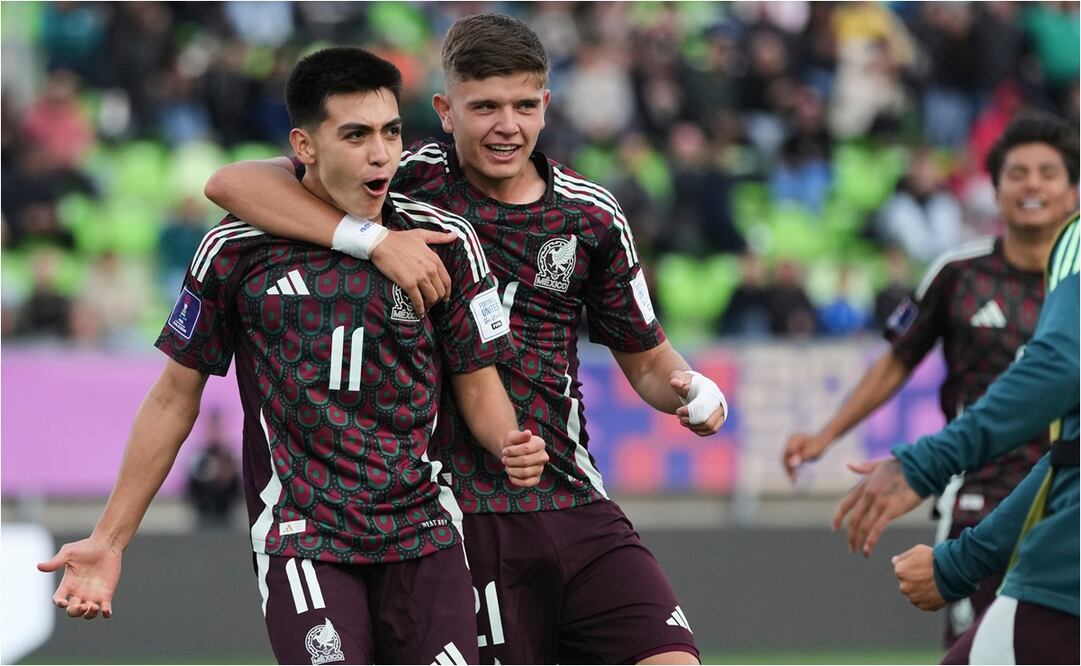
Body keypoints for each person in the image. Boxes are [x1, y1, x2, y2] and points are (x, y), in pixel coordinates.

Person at [204, 14, 728, 665]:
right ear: (445, 111)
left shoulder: (590, 215)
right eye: (484, 107)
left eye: (522, 105)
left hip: (572, 494)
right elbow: (234, 185)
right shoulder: (401, 182)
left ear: (545, 106)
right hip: (464, 513)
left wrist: (688, 390)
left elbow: (649, 361)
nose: (505, 125)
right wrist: (373, 240)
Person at [37, 47, 550, 665]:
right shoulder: (235, 251)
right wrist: (109, 539)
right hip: (305, 537)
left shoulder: (442, 242)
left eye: (390, 132)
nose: (381, 153)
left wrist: (507, 442)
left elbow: (477, 383)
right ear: (304, 147)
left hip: (426, 532)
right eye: (354, 135)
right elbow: (175, 396)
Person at [784, 112, 1079, 644]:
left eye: (1047, 172)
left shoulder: (1073, 285)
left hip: (1062, 494)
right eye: (1017, 173)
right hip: (978, 494)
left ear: (1073, 192)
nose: (1032, 183)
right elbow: (899, 358)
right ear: (994, 190)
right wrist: (827, 434)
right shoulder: (958, 272)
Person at [889, 211, 1079, 664]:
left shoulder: (1074, 245)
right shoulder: (960, 273)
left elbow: (1058, 366)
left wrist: (928, 461)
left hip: (1061, 576)